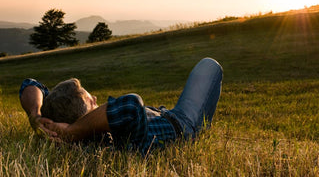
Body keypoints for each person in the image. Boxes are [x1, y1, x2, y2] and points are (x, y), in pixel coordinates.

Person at [19, 58, 223, 155]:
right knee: (209, 66)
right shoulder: (112, 138)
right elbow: (131, 104)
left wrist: (35, 115)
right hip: (183, 123)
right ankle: (201, 128)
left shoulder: (57, 117)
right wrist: (73, 131)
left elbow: (30, 83)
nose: (97, 98)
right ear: (84, 118)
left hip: (161, 114)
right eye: (93, 101)